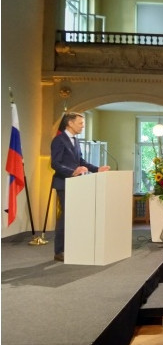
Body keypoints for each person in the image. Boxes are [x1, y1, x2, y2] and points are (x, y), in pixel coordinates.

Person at [51, 112, 110, 262]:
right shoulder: (59, 140)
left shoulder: (76, 141)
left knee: (75, 216)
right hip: (64, 183)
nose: (83, 126)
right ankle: (59, 251)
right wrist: (72, 172)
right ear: (70, 123)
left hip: (77, 184)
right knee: (66, 217)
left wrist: (97, 169)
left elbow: (80, 161)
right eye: (80, 123)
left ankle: (73, 246)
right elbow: (55, 164)